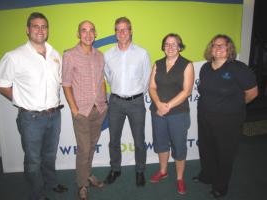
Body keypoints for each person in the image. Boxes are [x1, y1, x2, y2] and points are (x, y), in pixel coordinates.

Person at [0, 12, 68, 200]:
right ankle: (37, 194)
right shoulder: (14, 56)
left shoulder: (55, 55)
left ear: (48, 30)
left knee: (49, 155)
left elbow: (59, 81)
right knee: (33, 160)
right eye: (36, 26)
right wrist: (20, 99)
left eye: (44, 26)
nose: (40, 30)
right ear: (27, 30)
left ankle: (51, 183)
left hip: (54, 116)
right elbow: (1, 83)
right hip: (31, 118)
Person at [194, 34, 258, 198]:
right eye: (214, 45)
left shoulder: (239, 68)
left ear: (229, 48)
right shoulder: (206, 68)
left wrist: (233, 106)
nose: (218, 48)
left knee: (224, 153)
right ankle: (207, 175)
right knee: (206, 148)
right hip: (205, 116)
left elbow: (252, 93)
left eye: (222, 45)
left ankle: (221, 186)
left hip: (228, 119)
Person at [62, 20, 107, 200]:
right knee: (84, 148)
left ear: (95, 34)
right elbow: (66, 84)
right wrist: (74, 109)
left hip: (99, 109)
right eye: (83, 30)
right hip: (81, 111)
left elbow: (101, 80)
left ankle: (87, 174)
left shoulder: (100, 55)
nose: (88, 34)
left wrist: (103, 102)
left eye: (91, 31)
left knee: (91, 147)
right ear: (78, 34)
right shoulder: (70, 55)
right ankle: (82, 184)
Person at [104, 17, 151, 187]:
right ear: (115, 33)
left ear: (131, 31)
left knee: (139, 140)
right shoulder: (108, 55)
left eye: (125, 29)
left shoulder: (142, 53)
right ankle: (115, 169)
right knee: (114, 140)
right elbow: (109, 77)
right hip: (115, 102)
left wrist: (134, 94)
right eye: (118, 29)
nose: (122, 33)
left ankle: (140, 171)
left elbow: (146, 79)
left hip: (136, 103)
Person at [149, 33, 194, 195]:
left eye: (174, 44)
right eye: (167, 44)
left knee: (179, 146)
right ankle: (163, 171)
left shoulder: (187, 64)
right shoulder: (158, 64)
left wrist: (167, 106)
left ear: (180, 47)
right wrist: (159, 105)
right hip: (158, 112)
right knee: (161, 143)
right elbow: (152, 87)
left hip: (178, 113)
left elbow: (187, 91)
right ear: (163, 46)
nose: (170, 47)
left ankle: (180, 178)